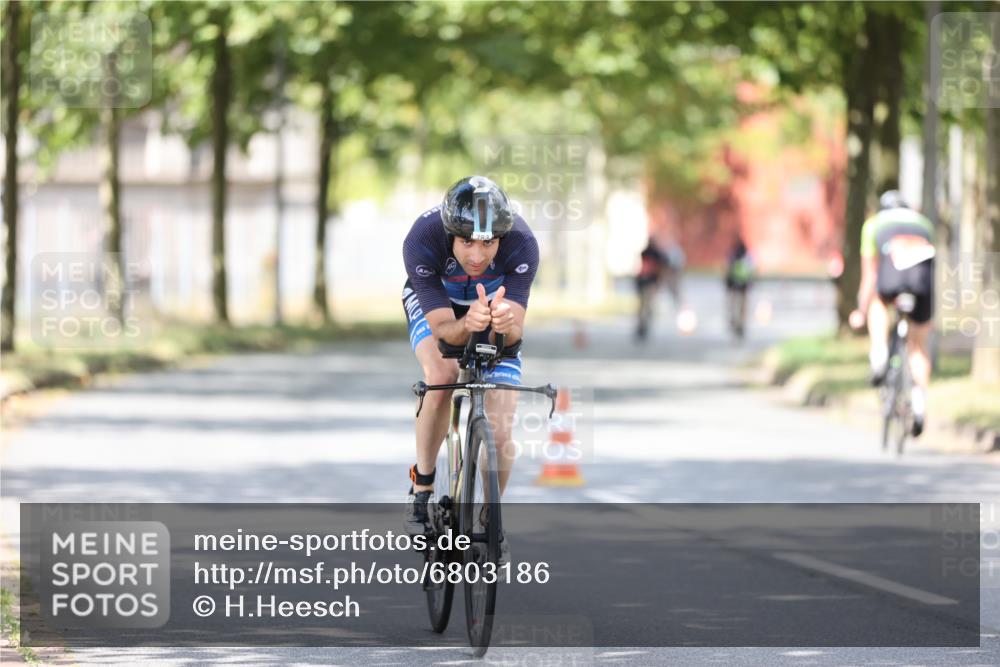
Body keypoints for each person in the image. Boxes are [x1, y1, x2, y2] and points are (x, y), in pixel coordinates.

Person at [401, 175, 539, 564]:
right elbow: (444, 333)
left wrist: (502, 322)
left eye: (489, 242)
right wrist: (468, 324)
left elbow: (512, 341)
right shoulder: (422, 238)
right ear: (450, 234)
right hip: (441, 305)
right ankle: (423, 488)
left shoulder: (522, 243)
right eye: (467, 242)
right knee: (442, 374)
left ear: (502, 236)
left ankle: (489, 520)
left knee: (500, 430)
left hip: (493, 309)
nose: (478, 255)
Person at [849, 190, 936, 437]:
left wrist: (860, 310)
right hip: (921, 287)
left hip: (891, 281)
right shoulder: (924, 224)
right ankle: (919, 403)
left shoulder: (874, 225)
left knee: (878, 299)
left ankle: (879, 351)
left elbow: (870, 276)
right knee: (918, 347)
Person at [724, 236, 755, 339]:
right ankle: (740, 320)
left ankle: (734, 318)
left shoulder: (733, 255)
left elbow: (728, 268)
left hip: (734, 283)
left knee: (733, 303)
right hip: (744, 284)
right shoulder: (748, 256)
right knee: (742, 304)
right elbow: (751, 270)